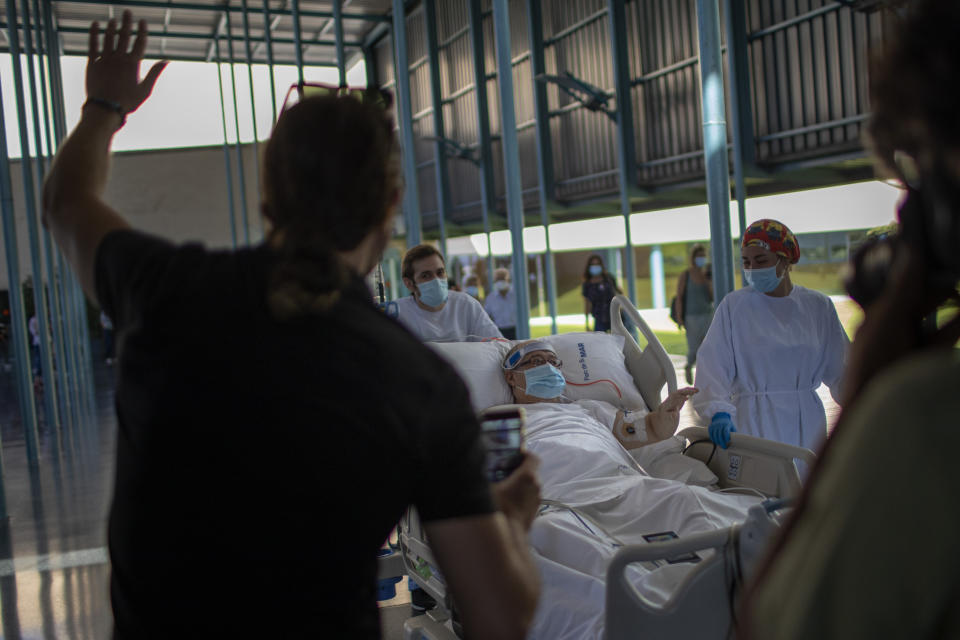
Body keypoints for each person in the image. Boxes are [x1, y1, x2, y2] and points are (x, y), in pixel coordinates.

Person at [41, 12, 539, 638]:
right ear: (389, 209)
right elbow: (500, 617)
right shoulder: (420, 386)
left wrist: (105, 105)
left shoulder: (164, 289)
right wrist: (511, 524)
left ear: (267, 195)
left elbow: (64, 201)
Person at [744, 1, 960, 637]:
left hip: (809, 437)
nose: (752, 266)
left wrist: (872, 395)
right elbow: (718, 373)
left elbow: (774, 620)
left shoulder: (925, 420)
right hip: (760, 429)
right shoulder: (733, 308)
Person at [692, 219, 848, 452]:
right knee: (760, 483)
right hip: (753, 421)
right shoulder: (734, 307)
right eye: (746, 262)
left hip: (806, 422)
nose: (753, 269)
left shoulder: (817, 307)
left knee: (804, 483)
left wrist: (866, 407)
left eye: (761, 260)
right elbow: (713, 364)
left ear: (784, 261)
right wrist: (718, 411)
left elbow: (843, 369)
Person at [502, 340, 698, 449]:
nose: (548, 367)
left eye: (553, 362)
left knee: (682, 500)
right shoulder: (498, 418)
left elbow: (647, 429)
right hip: (557, 493)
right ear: (511, 377)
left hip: (612, 478)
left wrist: (665, 414)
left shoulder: (589, 409)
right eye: (536, 361)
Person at [395, 244, 502, 341]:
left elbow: (499, 344)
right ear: (409, 284)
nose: (436, 280)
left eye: (440, 272)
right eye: (425, 276)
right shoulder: (399, 314)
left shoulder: (466, 305)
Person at [675, 244, 714, 384]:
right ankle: (689, 366)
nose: (701, 259)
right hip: (691, 316)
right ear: (693, 258)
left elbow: (712, 297)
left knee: (708, 346)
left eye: (703, 256)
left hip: (707, 314)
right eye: (699, 256)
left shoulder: (708, 274)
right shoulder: (686, 275)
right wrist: (679, 317)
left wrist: (709, 281)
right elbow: (679, 296)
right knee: (694, 348)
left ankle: (706, 376)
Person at [581, 254, 622, 332]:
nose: (595, 267)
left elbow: (618, 293)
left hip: (615, 317)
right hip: (599, 319)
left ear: (601, 265)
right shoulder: (587, 284)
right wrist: (587, 323)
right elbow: (587, 303)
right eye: (593, 265)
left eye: (597, 264)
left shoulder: (609, 279)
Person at [484, 267, 517, 340]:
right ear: (495, 281)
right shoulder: (490, 298)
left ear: (508, 280)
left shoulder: (516, 296)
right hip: (499, 332)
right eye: (498, 279)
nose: (501, 281)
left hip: (516, 330)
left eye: (503, 279)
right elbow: (487, 316)